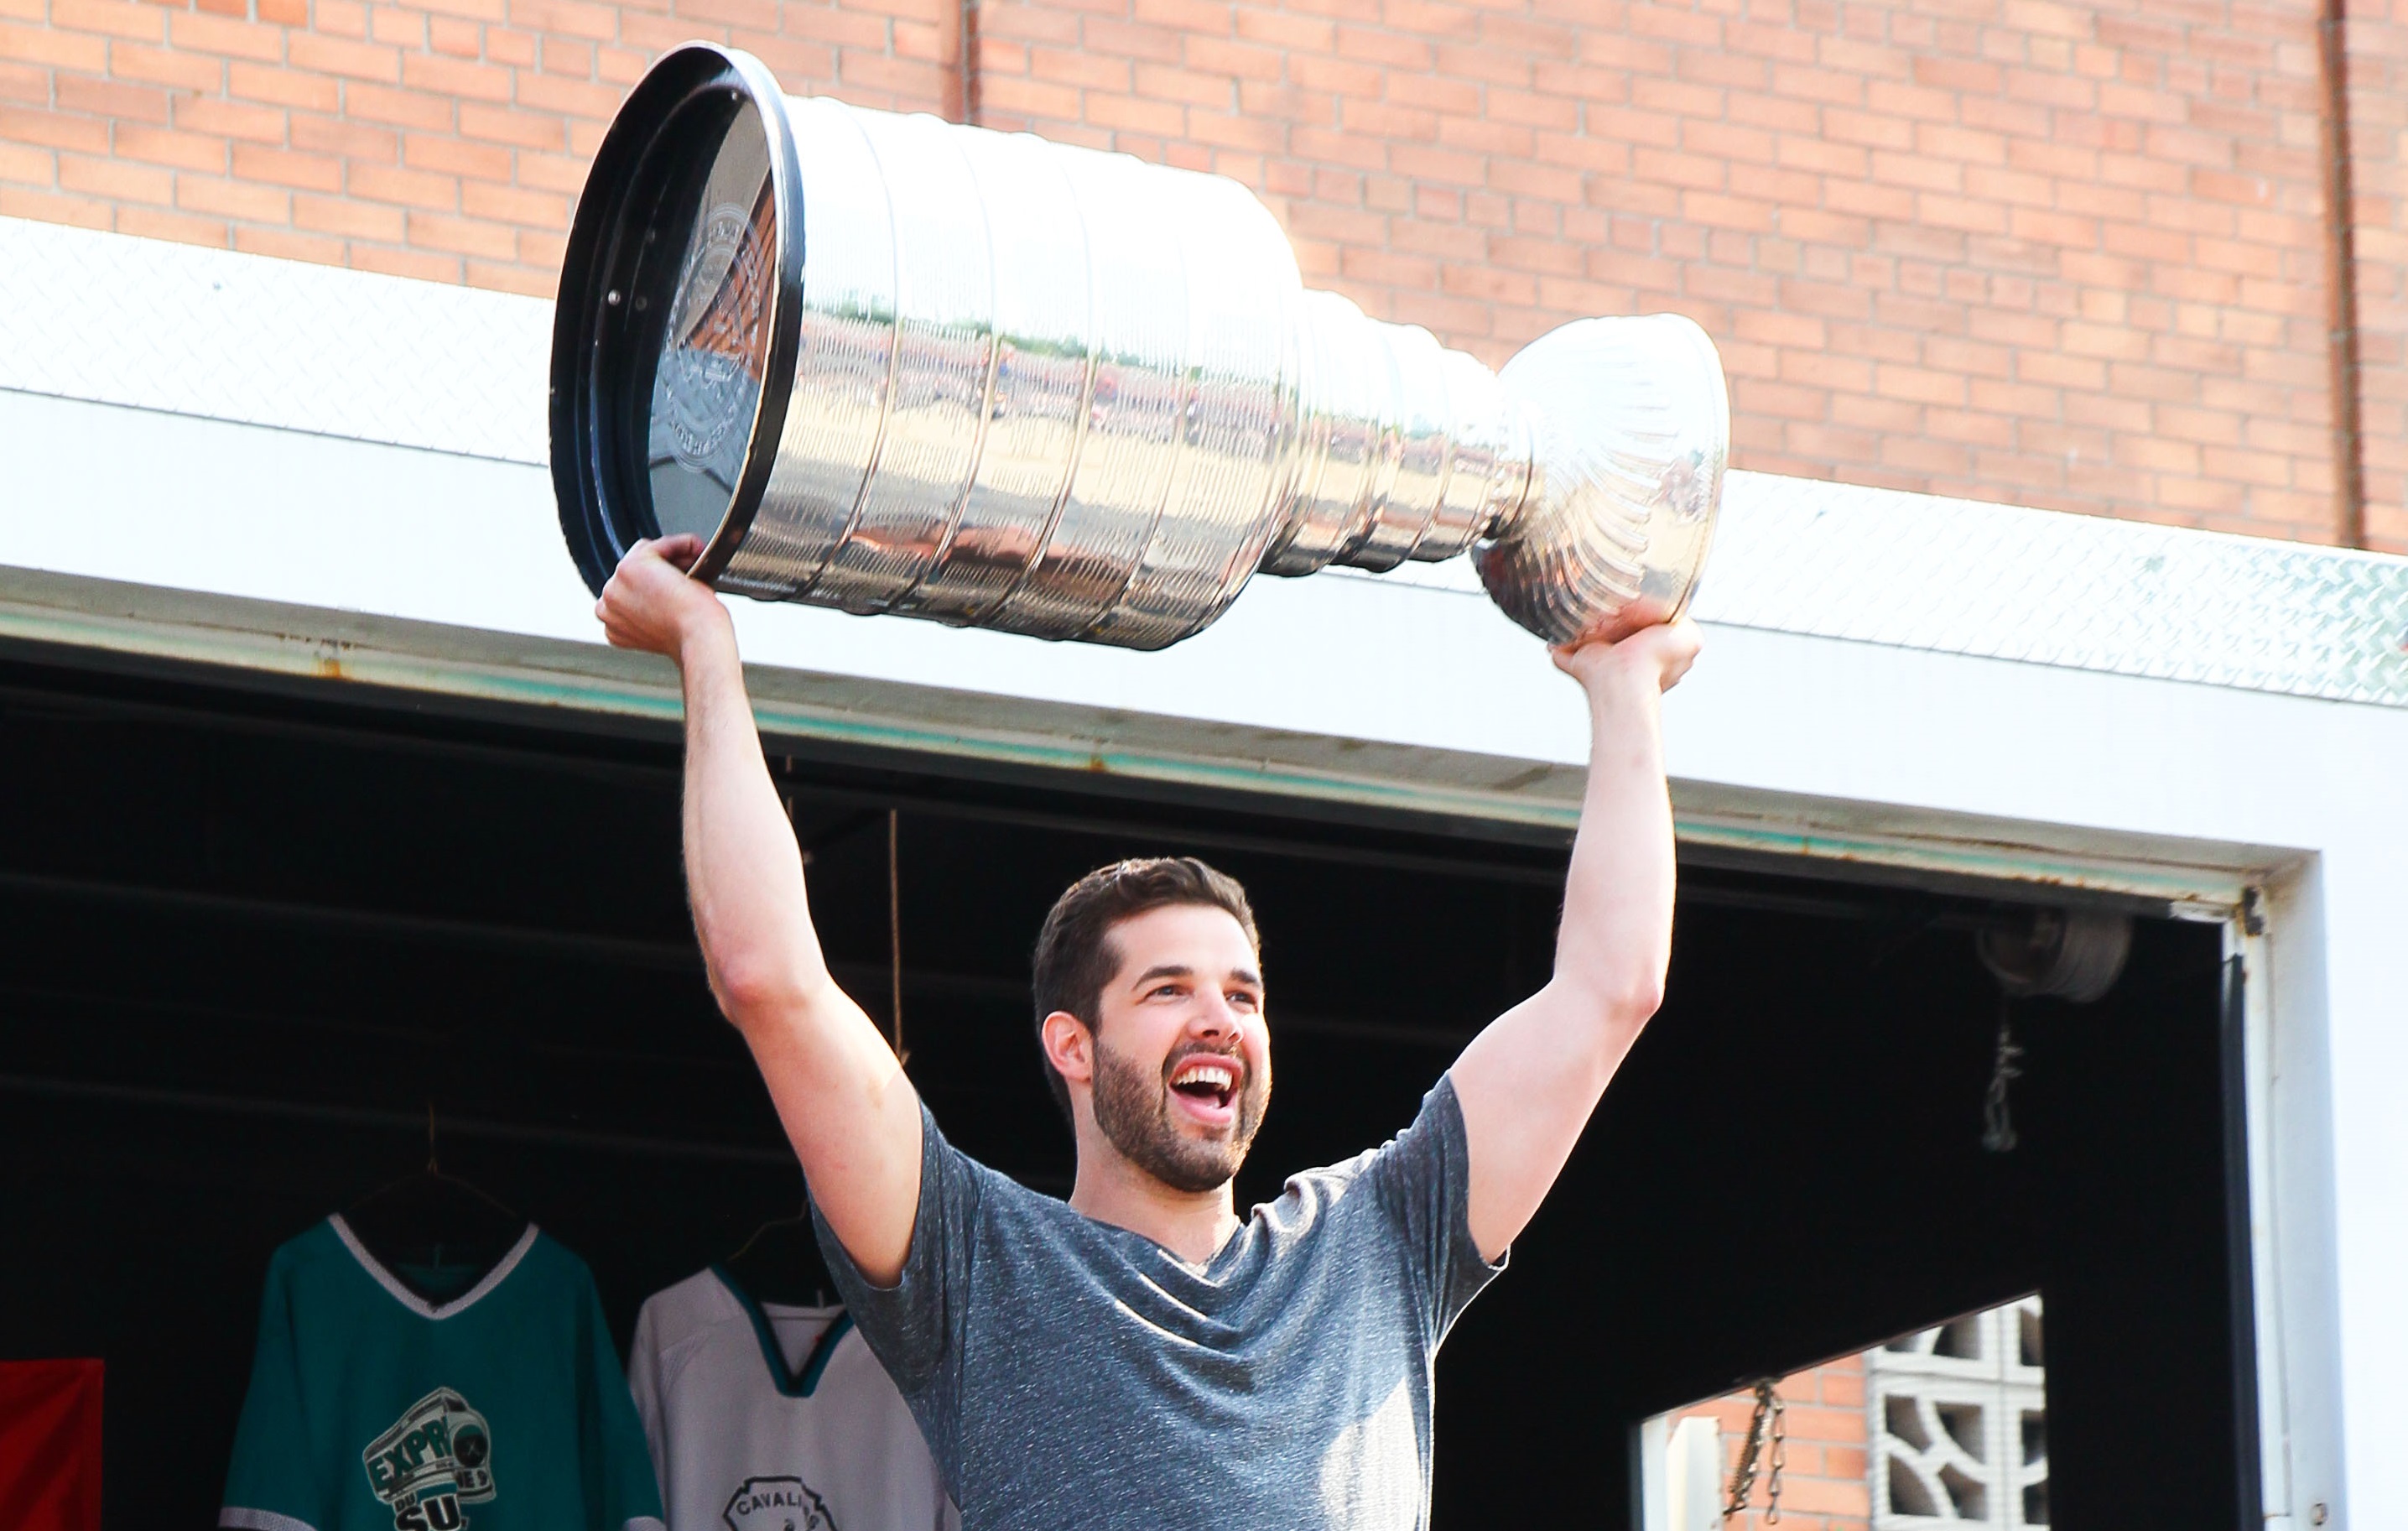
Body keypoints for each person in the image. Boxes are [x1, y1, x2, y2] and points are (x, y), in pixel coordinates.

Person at [596, 534, 1701, 1531]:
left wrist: (1623, 689)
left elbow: (1611, 987)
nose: (1220, 1015)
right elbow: (770, 978)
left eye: (1244, 993)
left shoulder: (1378, 1242)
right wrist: (708, 651)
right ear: (1072, 1045)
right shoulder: (974, 1265)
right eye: (1170, 988)